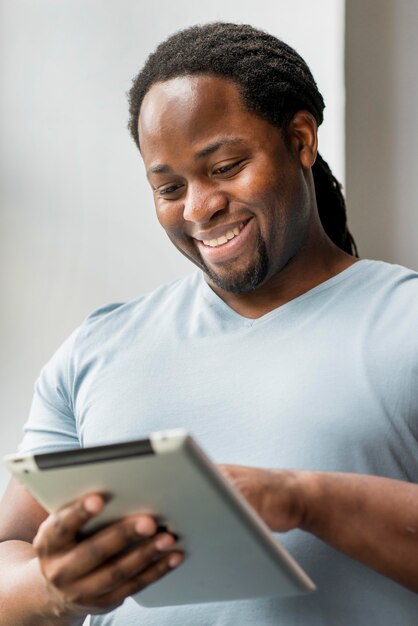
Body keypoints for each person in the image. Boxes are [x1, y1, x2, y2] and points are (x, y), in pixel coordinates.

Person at [1, 21, 418, 626]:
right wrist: (55, 589)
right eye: (169, 186)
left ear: (301, 139)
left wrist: (302, 499)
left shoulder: (405, 322)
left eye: (224, 166)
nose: (198, 208)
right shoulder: (98, 347)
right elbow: (11, 549)